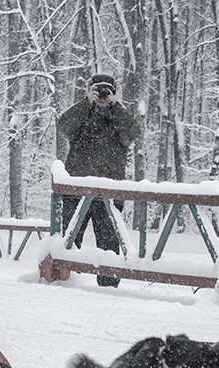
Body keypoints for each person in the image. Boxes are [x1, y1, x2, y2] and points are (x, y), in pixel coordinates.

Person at [57, 74, 141, 287]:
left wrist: (115, 107)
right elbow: (64, 126)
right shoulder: (82, 114)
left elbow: (133, 133)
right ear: (90, 90)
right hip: (76, 191)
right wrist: (87, 103)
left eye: (107, 91)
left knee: (109, 249)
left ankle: (109, 289)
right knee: (68, 242)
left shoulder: (118, 118)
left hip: (109, 194)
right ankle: (64, 283)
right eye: (98, 90)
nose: (103, 94)